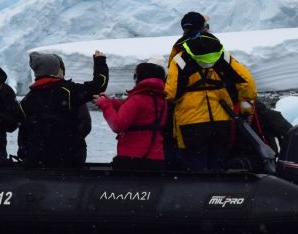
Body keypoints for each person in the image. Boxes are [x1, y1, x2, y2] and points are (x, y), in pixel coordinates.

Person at [165, 14, 257, 172]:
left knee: (195, 170)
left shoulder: (180, 59)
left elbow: (171, 93)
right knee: (218, 166)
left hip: (191, 123)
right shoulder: (221, 54)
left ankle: (197, 195)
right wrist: (246, 109)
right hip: (222, 121)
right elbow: (246, 81)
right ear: (204, 27)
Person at [18, 50, 109, 168]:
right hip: (67, 156)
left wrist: (23, 150)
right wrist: (100, 61)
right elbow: (99, 85)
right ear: (56, 70)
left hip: (36, 158)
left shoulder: (28, 99)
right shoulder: (68, 91)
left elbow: (23, 129)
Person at [94, 61, 168, 171]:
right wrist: (111, 102)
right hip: (156, 158)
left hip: (132, 158)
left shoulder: (137, 98)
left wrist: (105, 105)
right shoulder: (162, 100)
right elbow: (140, 116)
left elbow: (117, 125)